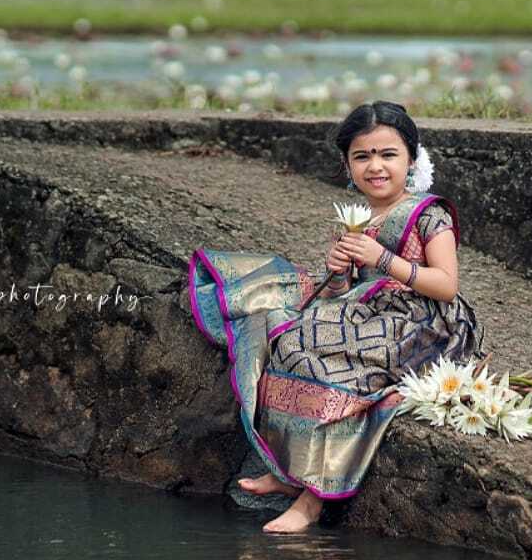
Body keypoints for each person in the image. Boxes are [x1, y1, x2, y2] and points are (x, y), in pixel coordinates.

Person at [189, 100, 485, 534]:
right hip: (370, 311)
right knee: (290, 339)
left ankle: (312, 500)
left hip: (428, 322)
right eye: (362, 156)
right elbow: (343, 292)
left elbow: (446, 285)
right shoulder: (358, 219)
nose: (376, 167)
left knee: (342, 366)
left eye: (388, 155)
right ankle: (292, 474)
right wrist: (339, 274)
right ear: (347, 164)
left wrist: (383, 259)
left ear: (412, 159)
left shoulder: (428, 214)